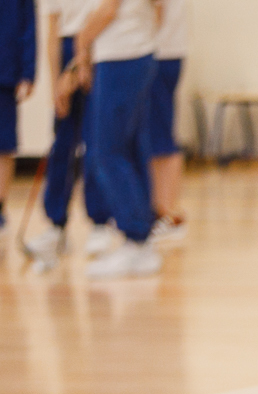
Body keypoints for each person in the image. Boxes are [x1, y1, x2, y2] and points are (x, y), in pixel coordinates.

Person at [20, 0, 112, 268]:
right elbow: (52, 32)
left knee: (94, 141)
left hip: (98, 46)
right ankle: (56, 225)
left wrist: (82, 61)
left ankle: (99, 222)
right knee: (62, 144)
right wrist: (54, 86)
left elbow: (105, 15)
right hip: (65, 47)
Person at [75, 0, 158, 279]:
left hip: (121, 57)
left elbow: (108, 9)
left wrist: (82, 42)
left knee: (105, 152)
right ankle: (141, 241)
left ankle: (135, 238)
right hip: (136, 54)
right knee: (131, 149)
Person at [145, 0, 186, 240]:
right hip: (165, 51)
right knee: (156, 134)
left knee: (160, 136)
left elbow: (157, 10)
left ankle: (168, 214)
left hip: (161, 52)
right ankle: (160, 211)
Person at [0, 0, 31, 231]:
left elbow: (28, 25)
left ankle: (0, 208)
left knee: (4, 144)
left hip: (5, 72)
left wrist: (28, 72)